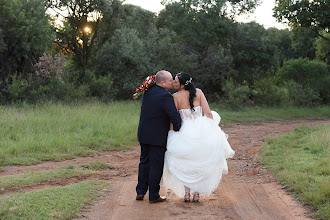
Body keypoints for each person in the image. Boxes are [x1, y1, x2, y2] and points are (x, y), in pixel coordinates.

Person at [163, 72, 235, 202]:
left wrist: (170, 132)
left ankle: (186, 194)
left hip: (184, 132)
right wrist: (213, 128)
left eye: (176, 81)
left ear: (182, 84)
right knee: (199, 161)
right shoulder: (199, 92)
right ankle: (196, 195)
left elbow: (174, 118)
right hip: (201, 130)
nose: (174, 82)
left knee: (186, 163)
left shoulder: (175, 96)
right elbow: (207, 112)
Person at [136, 70, 182, 203]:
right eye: (170, 81)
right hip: (157, 137)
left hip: (144, 134)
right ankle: (154, 195)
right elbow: (173, 115)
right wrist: (178, 128)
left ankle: (140, 191)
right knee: (156, 165)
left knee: (144, 163)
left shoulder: (147, 92)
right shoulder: (165, 96)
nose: (172, 82)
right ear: (162, 83)